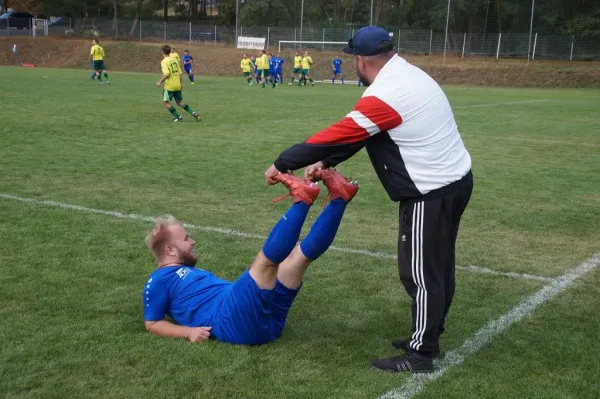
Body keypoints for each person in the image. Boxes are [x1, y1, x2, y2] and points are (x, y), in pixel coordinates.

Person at [264, 26, 473, 373]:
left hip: (430, 191)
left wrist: (282, 162)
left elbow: (337, 135)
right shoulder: (407, 74)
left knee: (419, 273)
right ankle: (428, 332)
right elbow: (361, 136)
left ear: (361, 60)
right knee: (438, 266)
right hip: (454, 182)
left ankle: (422, 353)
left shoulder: (387, 93)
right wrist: (327, 163)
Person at [143, 170, 359, 344]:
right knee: (265, 264)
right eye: (185, 238)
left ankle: (340, 197)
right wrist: (187, 332)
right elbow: (152, 323)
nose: (192, 242)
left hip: (266, 323)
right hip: (229, 320)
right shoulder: (158, 279)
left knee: (298, 257)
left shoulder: (187, 272)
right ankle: (302, 199)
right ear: (170, 250)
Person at [156, 45, 201, 122]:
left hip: (170, 86)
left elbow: (166, 73)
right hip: (177, 85)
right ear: (170, 51)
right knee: (180, 102)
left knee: (165, 102)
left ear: (162, 52)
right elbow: (180, 73)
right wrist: (181, 83)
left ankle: (178, 117)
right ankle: (194, 114)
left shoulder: (164, 61)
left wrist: (159, 82)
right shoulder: (175, 60)